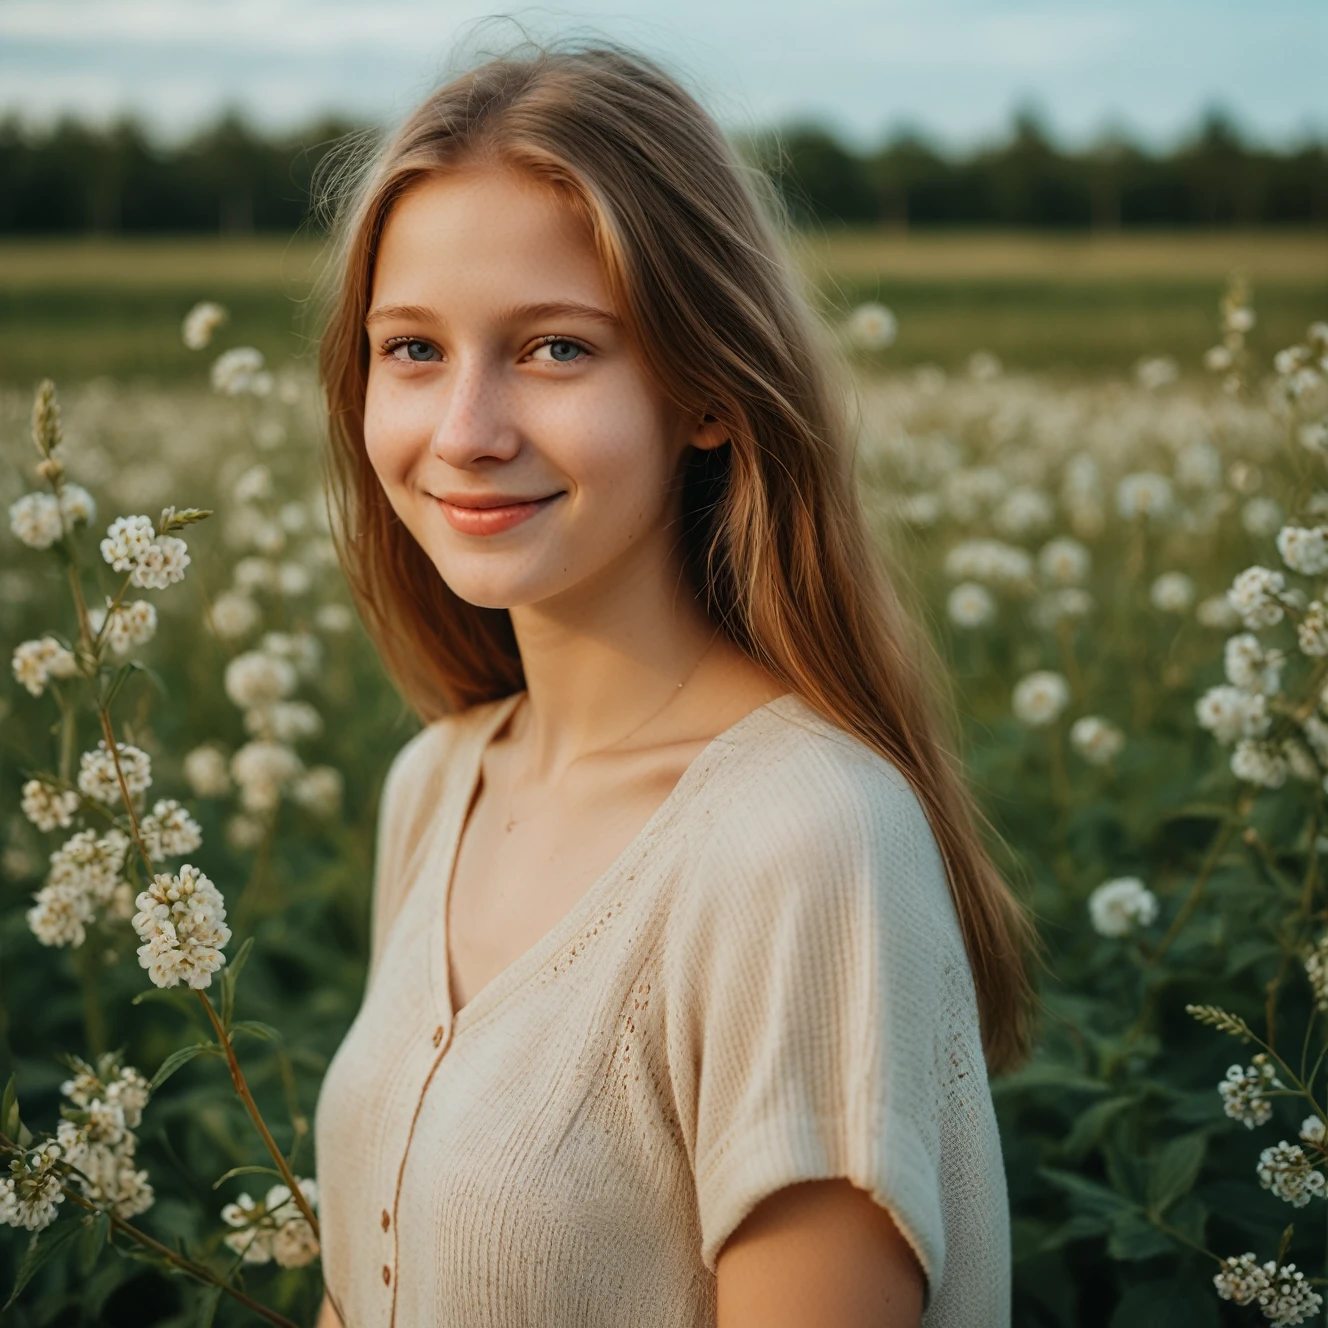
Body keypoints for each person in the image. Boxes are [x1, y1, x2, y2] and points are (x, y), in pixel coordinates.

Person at [312, 37, 1036, 1328]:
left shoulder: (804, 843)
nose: (466, 432)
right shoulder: (438, 785)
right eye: (412, 350)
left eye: (555, 350)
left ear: (705, 390)